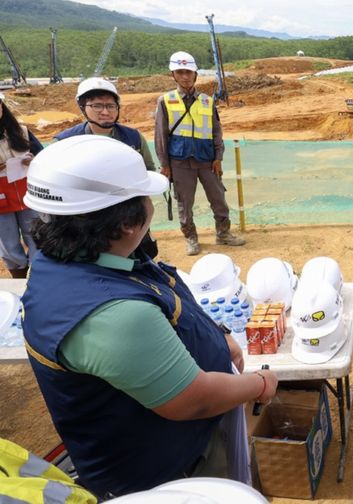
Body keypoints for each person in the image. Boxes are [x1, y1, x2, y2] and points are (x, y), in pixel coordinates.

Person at [21, 135, 277, 499]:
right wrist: (261, 385)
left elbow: (158, 287)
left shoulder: (71, 255)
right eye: (145, 197)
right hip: (165, 472)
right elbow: (193, 399)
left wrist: (217, 334)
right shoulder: (111, 315)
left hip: (155, 451)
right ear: (127, 222)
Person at [54, 77, 161, 258]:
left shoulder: (132, 138)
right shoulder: (66, 142)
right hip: (87, 216)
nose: (105, 111)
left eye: (111, 106)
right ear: (82, 107)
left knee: (139, 255)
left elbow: (148, 170)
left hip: (128, 212)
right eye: (97, 106)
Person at [154, 51, 244, 256]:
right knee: (185, 203)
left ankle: (223, 234)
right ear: (173, 75)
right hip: (180, 161)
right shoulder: (165, 101)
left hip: (207, 161)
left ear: (195, 75)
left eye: (189, 72)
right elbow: (160, 135)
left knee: (218, 198)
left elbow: (216, 132)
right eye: (180, 72)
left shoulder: (207, 101)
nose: (185, 76)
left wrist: (218, 158)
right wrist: (165, 164)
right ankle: (191, 238)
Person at [0, 91, 42, 279]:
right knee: (8, 244)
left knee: (36, 236)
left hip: (27, 194)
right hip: (1, 201)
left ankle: (37, 274)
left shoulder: (21, 131)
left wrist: (33, 160)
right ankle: (19, 276)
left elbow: (43, 156)